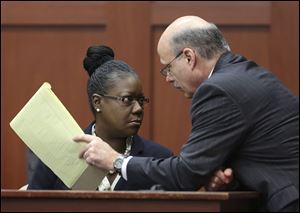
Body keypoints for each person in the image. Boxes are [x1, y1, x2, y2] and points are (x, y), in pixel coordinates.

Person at [73, 16, 299, 212]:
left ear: (189, 57)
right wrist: (226, 179)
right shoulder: (243, 73)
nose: (168, 78)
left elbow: (185, 175)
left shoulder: (217, 90)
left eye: (168, 68)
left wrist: (116, 161)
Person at [27, 44, 231, 191]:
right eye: (127, 100)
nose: (138, 109)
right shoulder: (59, 154)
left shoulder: (159, 157)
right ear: (98, 102)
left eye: (141, 101)